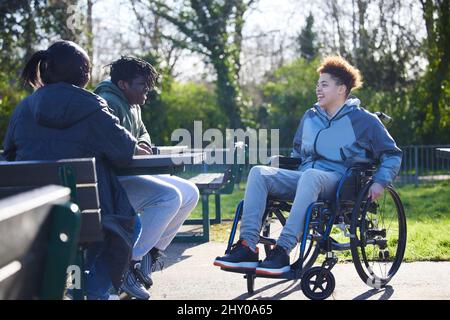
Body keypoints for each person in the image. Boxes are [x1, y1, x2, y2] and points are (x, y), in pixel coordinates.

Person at [214, 56, 402, 276]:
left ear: (342, 89)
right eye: (317, 85)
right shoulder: (310, 116)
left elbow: (392, 153)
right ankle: (246, 246)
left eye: (324, 84)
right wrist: (281, 167)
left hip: (339, 181)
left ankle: (282, 250)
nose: (318, 89)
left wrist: (380, 181)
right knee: (259, 172)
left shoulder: (364, 120)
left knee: (311, 175)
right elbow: (297, 153)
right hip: (305, 178)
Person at [2, 40, 142, 300]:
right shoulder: (92, 106)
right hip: (87, 218)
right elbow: (124, 152)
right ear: (85, 75)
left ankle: (78, 288)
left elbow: (9, 156)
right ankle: (94, 292)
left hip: (29, 216)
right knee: (132, 223)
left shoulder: (23, 109)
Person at [94, 56, 199, 300]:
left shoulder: (133, 105)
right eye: (143, 86)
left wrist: (141, 143)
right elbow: (112, 144)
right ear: (123, 85)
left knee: (190, 192)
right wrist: (133, 148)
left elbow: (143, 133)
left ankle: (150, 254)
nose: (147, 92)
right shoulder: (107, 102)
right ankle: (130, 264)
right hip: (113, 181)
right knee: (169, 197)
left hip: (132, 175)